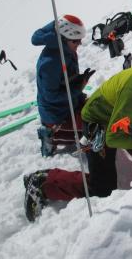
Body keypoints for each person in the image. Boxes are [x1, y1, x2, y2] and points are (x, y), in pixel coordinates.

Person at [23, 62, 132, 222]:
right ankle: (43, 181)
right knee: (102, 187)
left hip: (126, 111)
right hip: (98, 120)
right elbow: (113, 138)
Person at [31, 14, 95, 157]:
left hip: (71, 101)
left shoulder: (66, 49)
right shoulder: (51, 62)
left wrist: (79, 80)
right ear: (64, 38)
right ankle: (50, 135)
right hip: (57, 114)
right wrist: (78, 88)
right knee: (93, 127)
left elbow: (63, 80)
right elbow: (51, 96)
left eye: (80, 40)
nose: (79, 44)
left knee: (98, 110)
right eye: (75, 41)